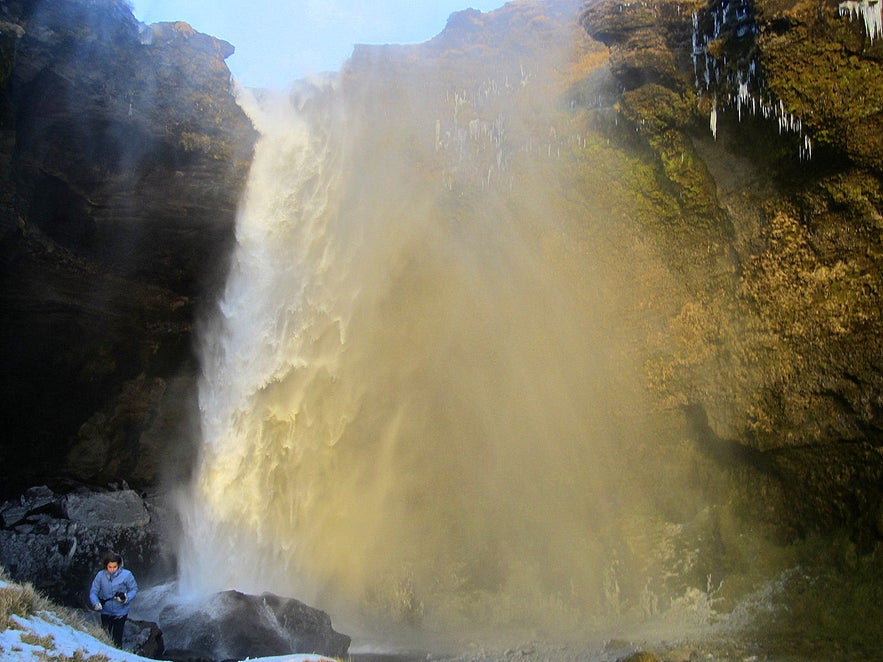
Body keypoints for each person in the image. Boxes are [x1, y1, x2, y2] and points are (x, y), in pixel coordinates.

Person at [88, 550, 138, 648]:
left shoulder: (127, 575)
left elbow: (134, 589)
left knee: (117, 639)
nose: (112, 570)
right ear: (106, 566)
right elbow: (93, 591)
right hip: (105, 611)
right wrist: (96, 602)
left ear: (119, 565)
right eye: (110, 567)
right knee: (104, 636)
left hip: (121, 612)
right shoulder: (100, 575)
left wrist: (125, 598)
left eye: (114, 567)